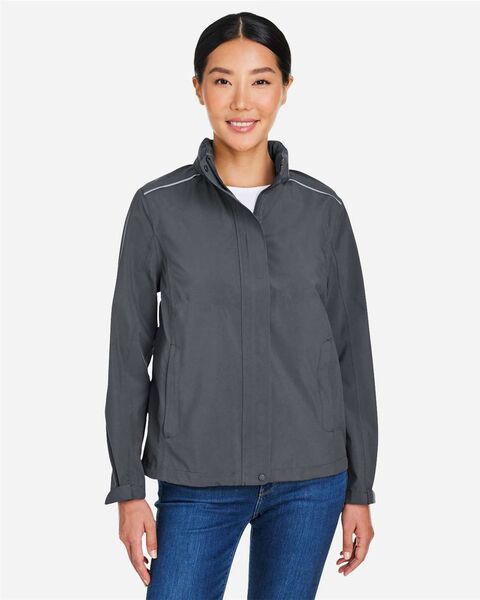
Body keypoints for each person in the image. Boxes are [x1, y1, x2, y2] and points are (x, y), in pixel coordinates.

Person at [104, 11, 378, 599]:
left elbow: (352, 357)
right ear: (198, 87)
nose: (241, 101)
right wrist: (128, 489)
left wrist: (360, 490)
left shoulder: (323, 210)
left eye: (261, 80)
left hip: (310, 480)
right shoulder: (157, 207)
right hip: (196, 478)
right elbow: (128, 356)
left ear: (285, 88)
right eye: (223, 80)